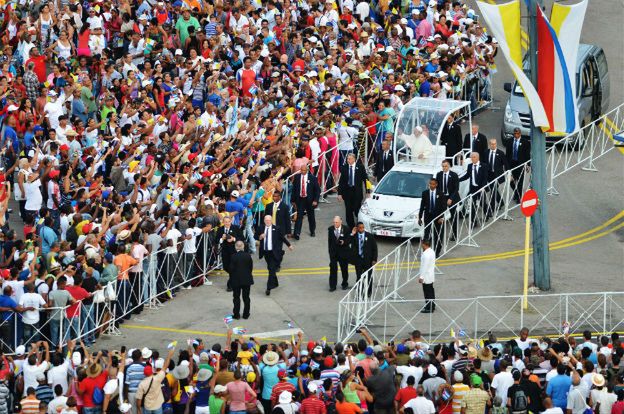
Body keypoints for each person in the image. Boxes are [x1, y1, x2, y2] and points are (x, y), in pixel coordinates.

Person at [256, 215, 293, 296]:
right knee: (270, 268)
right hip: (266, 252)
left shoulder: (276, 228)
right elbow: (255, 236)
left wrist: (289, 245)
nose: (267, 222)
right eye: (266, 220)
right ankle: (275, 283)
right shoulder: (261, 228)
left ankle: (268, 288)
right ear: (264, 221)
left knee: (272, 269)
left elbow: (282, 238)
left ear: (271, 221)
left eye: (269, 220)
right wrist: (260, 237)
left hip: (274, 252)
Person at [338, 153, 369, 230]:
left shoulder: (360, 167)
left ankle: (359, 222)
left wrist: (368, 191)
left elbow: (366, 179)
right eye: (347, 159)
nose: (348, 160)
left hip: (357, 192)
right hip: (347, 192)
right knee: (348, 210)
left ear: (354, 159)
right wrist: (339, 194)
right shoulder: (344, 168)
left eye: (350, 159)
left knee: (356, 208)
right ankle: (351, 226)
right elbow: (341, 182)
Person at [291, 164, 321, 240]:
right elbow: (294, 189)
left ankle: (312, 231)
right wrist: (293, 200)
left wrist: (315, 200)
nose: (302, 171)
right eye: (301, 170)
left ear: (307, 170)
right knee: (299, 216)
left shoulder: (313, 178)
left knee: (311, 216)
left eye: (304, 170)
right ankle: (297, 233)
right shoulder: (297, 177)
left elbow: (317, 190)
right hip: (300, 199)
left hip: (310, 200)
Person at [459, 152, 489, 225]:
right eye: (471, 157)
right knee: (472, 205)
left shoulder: (484, 166)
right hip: (473, 188)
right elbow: (467, 176)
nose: (472, 159)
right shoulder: (469, 166)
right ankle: (473, 221)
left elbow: (485, 178)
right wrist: (458, 179)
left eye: (473, 157)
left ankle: (487, 214)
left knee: (482, 203)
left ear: (478, 158)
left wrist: (483, 187)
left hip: (481, 188)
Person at [215, 216, 243, 292]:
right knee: (226, 267)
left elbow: (241, 238)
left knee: (233, 267)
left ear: (231, 221)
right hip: (225, 252)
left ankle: (230, 285)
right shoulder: (220, 229)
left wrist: (233, 239)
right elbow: (216, 240)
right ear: (223, 222)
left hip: (234, 251)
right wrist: (222, 239)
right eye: (225, 222)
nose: (227, 223)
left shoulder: (236, 228)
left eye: (228, 221)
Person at [349, 222, 377, 298]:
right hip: (358, 260)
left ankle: (369, 292)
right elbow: (348, 243)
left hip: (368, 260)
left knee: (369, 276)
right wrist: (352, 234)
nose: (362, 229)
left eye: (363, 227)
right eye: (360, 228)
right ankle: (360, 293)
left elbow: (374, 248)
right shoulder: (354, 236)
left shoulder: (370, 236)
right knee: (359, 277)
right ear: (357, 228)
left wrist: (374, 259)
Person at [436, 160, 460, 241]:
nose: (444, 168)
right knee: (440, 216)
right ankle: (438, 235)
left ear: (449, 166)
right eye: (443, 166)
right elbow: (437, 187)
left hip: (451, 197)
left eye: (445, 166)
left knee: (453, 216)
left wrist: (451, 198)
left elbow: (456, 188)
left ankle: (454, 235)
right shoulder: (439, 175)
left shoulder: (454, 175)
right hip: (443, 197)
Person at [418, 178, 445, 252]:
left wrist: (441, 217)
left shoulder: (440, 193)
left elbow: (444, 207)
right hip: (428, 216)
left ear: (436, 185)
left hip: (438, 217)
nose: (431, 185)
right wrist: (420, 217)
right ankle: (426, 251)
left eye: (433, 184)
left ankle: (437, 251)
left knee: (438, 235)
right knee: (426, 235)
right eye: (430, 184)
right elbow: (422, 206)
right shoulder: (425, 193)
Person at [229, 241, 254, 319]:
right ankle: (246, 314)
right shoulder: (248, 256)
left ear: (236, 247)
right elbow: (251, 267)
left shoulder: (233, 256)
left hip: (236, 280)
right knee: (246, 298)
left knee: (236, 298)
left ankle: (236, 315)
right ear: (243, 247)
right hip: (247, 280)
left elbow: (231, 269)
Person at [505, 128, 531, 203]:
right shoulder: (509, 141)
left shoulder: (525, 142)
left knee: (520, 181)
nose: (516, 135)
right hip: (511, 163)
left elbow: (527, 155)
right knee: (511, 181)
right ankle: (516, 192)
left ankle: (519, 197)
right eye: (515, 133)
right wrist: (506, 166)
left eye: (517, 133)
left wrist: (528, 165)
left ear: (520, 134)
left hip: (520, 164)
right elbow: (507, 154)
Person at [327, 216, 351, 292]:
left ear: (340, 221)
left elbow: (349, 240)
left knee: (344, 269)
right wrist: (330, 253)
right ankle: (332, 286)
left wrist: (344, 242)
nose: (335, 224)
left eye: (336, 222)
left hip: (343, 253)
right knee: (333, 269)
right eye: (334, 222)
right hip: (334, 253)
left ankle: (344, 283)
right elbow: (329, 242)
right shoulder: (330, 229)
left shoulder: (346, 229)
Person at [485, 139, 508, 218]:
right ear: (489, 144)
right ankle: (501, 202)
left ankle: (491, 209)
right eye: (491, 144)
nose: (493, 145)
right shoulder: (486, 152)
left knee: (493, 191)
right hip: (489, 175)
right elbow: (484, 163)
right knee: (494, 190)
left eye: (494, 144)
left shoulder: (501, 153)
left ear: (496, 144)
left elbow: (506, 164)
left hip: (497, 175)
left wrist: (509, 173)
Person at [418, 240, 436, 313]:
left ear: (424, 244)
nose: (421, 245)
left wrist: (421, 277)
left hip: (426, 276)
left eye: (422, 244)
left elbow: (424, 266)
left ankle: (429, 307)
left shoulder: (426, 254)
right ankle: (432, 305)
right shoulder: (431, 251)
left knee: (427, 292)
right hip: (430, 275)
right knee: (431, 291)